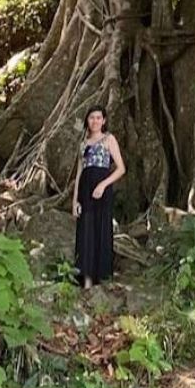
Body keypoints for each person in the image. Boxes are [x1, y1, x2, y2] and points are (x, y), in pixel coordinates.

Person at [70, 106, 126, 288]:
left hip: (102, 187)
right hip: (85, 188)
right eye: (92, 117)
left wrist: (103, 184)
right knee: (85, 228)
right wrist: (75, 200)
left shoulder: (109, 139)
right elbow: (79, 173)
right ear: (88, 120)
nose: (95, 121)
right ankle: (85, 276)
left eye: (98, 118)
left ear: (104, 120)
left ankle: (102, 275)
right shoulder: (83, 144)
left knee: (101, 226)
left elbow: (121, 168)